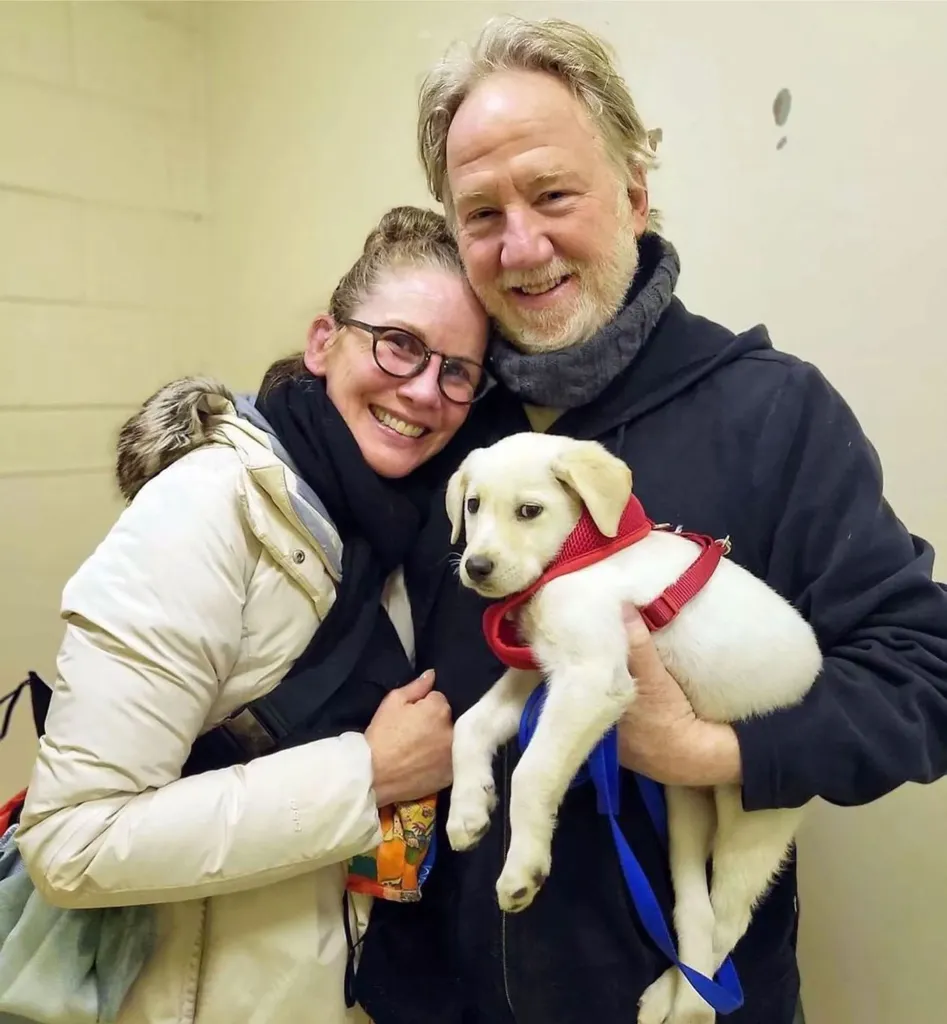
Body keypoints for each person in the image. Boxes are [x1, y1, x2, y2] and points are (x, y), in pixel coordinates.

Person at [352, 16, 947, 1024]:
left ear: (632, 191)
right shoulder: (441, 427)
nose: (521, 245)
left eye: (551, 195)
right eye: (481, 213)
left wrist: (702, 751)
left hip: (675, 995)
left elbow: (919, 675)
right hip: (444, 993)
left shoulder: (770, 413)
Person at [12, 205, 491, 1024]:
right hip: (179, 990)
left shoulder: (413, 532)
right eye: (400, 343)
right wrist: (365, 774)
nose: (424, 390)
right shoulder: (206, 505)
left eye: (457, 371)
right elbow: (72, 843)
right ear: (322, 343)